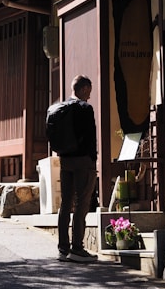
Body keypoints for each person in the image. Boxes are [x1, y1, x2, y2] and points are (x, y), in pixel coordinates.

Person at [57, 74, 98, 263]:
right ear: (82, 89)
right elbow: (90, 136)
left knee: (66, 204)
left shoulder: (60, 108)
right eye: (88, 92)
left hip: (65, 161)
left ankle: (63, 248)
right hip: (83, 162)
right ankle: (77, 248)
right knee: (82, 203)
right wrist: (93, 159)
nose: (89, 96)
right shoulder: (85, 108)